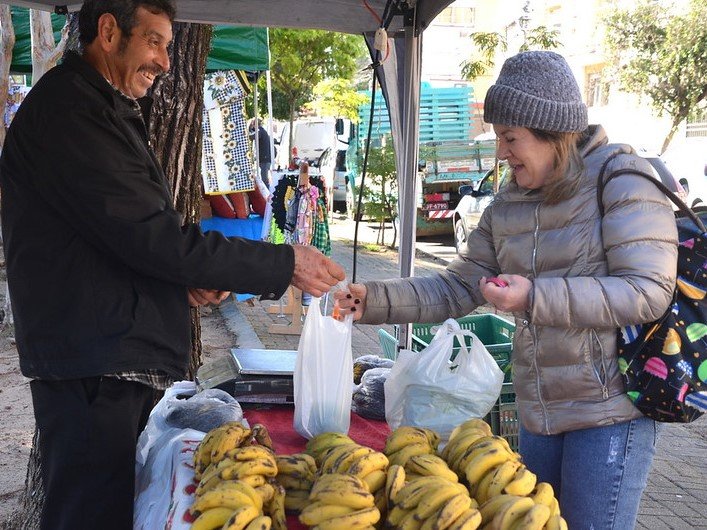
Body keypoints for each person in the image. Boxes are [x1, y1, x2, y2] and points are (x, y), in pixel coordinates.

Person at [0, 1, 344, 529]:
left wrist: (178, 287)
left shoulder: (96, 106)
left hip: (103, 351)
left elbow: (108, 241)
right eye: (155, 41)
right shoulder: (73, 111)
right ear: (109, 32)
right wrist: (283, 262)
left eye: (168, 45)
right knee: (88, 515)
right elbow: (151, 238)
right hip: (93, 363)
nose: (165, 61)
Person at [336, 51, 678, 529]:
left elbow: (646, 291)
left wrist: (533, 297)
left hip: (610, 415)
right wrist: (372, 299)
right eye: (499, 137)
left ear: (552, 133)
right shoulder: (509, 202)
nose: (501, 152)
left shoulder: (621, 181)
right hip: (539, 414)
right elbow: (458, 285)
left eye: (510, 138)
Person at [249, 117, 272, 188]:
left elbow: (252, 137)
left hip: (264, 159)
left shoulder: (260, 131)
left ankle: (267, 194)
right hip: (264, 158)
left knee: (264, 179)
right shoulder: (261, 130)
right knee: (264, 177)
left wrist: (248, 129)